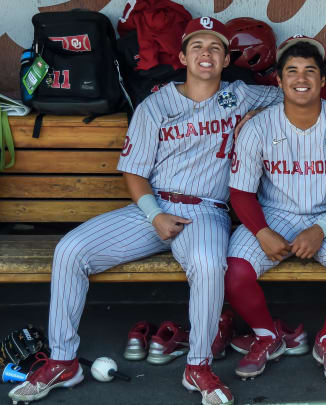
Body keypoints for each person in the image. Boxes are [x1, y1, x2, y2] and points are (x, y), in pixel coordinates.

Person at [8, 17, 288, 405]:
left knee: (209, 263)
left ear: (225, 60)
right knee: (70, 250)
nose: (206, 54)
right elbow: (135, 174)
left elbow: (299, 95)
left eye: (215, 48)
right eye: (197, 47)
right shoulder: (155, 105)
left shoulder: (240, 95)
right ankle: (63, 361)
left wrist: (259, 117)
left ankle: (198, 366)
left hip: (205, 212)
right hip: (152, 207)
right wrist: (154, 214)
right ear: (182, 56)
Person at [224, 36, 326, 386]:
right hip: (273, 212)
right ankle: (267, 336)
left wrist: (321, 229)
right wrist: (261, 231)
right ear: (278, 80)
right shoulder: (259, 125)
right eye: (291, 71)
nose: (301, 78)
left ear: (324, 80)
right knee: (234, 272)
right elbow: (241, 192)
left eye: (310, 70)